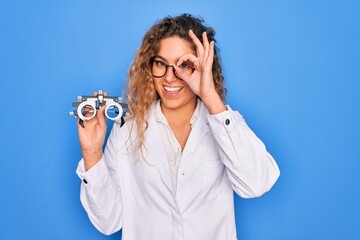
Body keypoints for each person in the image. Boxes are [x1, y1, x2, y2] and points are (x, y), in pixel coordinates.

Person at [75, 13, 280, 240]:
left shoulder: (226, 124)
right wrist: (92, 152)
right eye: (161, 63)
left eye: (184, 65)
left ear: (203, 67)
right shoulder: (127, 130)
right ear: (149, 66)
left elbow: (256, 184)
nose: (170, 78)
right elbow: (108, 222)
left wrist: (210, 95)